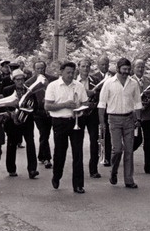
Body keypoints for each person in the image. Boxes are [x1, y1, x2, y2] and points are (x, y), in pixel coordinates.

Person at [98, 58, 143, 189]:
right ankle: (113, 171)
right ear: (118, 69)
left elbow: (137, 103)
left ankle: (129, 180)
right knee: (117, 150)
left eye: (128, 70)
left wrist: (138, 119)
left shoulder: (133, 83)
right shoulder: (109, 83)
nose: (126, 72)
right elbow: (102, 104)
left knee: (129, 150)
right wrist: (102, 123)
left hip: (129, 119)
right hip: (114, 119)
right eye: (124, 69)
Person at [44, 61, 87, 193]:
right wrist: (65, 105)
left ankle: (78, 184)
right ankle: (57, 176)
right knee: (60, 153)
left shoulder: (79, 86)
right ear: (61, 72)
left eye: (72, 73)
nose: (70, 75)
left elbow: (85, 103)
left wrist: (80, 109)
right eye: (68, 72)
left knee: (78, 154)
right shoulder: (53, 86)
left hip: (76, 121)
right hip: (60, 122)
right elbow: (47, 106)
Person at [2, 69, 38, 178]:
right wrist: (11, 113)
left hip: (27, 122)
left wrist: (28, 110)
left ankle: (32, 169)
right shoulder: (7, 90)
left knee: (31, 144)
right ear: (13, 80)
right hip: (12, 122)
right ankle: (11, 169)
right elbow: (3, 104)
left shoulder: (29, 91)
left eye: (22, 79)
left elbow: (35, 105)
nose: (20, 81)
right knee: (11, 145)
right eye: (17, 79)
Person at [27, 60, 56, 170]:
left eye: (42, 68)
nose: (40, 70)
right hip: (38, 112)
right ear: (34, 69)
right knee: (44, 133)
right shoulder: (30, 82)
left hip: (51, 110)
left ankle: (41, 155)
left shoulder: (53, 79)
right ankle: (47, 158)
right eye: (38, 68)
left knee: (47, 134)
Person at [76, 58, 101, 178]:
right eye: (83, 66)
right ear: (78, 67)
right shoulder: (73, 81)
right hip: (79, 114)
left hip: (92, 114)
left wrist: (94, 103)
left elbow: (101, 96)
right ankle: (78, 168)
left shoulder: (95, 80)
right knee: (78, 142)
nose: (85, 69)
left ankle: (93, 169)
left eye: (87, 66)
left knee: (94, 141)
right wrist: (87, 93)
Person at [132, 59, 150, 174]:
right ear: (133, 68)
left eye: (142, 67)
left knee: (149, 141)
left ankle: (149, 166)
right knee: (137, 140)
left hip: (148, 115)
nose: (140, 69)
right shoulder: (129, 81)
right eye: (138, 67)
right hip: (134, 115)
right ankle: (127, 154)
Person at [91, 55, 112, 166]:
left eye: (106, 64)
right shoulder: (94, 77)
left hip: (108, 108)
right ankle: (96, 157)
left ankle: (107, 157)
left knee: (108, 133)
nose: (104, 66)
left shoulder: (113, 77)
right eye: (102, 64)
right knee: (96, 134)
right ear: (98, 65)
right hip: (96, 109)